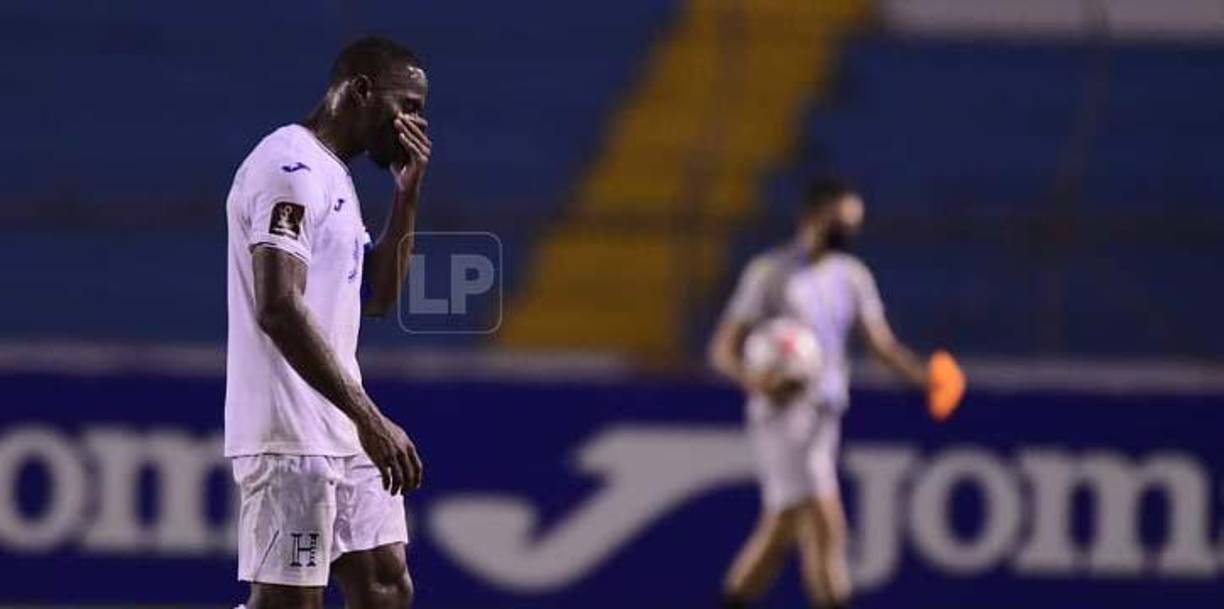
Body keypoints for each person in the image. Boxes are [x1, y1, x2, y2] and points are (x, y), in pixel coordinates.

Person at [223, 36, 431, 609]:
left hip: (341, 427)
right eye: (407, 105)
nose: (415, 122)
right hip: (291, 433)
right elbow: (278, 307)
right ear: (362, 91)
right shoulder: (287, 167)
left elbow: (379, 298)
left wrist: (407, 196)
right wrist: (370, 417)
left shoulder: (334, 176)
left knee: (386, 588)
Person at [708, 177, 931, 609]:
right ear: (812, 216)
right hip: (783, 414)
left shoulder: (852, 276)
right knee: (824, 524)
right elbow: (723, 348)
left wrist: (921, 376)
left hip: (826, 415)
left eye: (853, 224)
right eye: (840, 221)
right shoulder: (771, 272)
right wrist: (756, 380)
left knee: (790, 530)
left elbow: (880, 343)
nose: (847, 232)